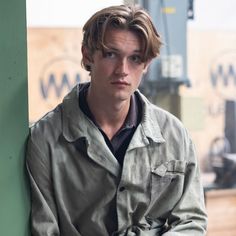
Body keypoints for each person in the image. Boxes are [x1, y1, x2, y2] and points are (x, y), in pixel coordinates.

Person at [26, 4, 207, 236]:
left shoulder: (174, 134)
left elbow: (191, 220)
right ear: (87, 55)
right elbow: (45, 230)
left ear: (147, 64)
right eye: (111, 54)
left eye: (135, 58)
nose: (123, 70)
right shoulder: (46, 139)